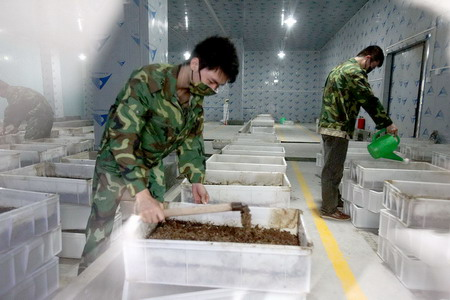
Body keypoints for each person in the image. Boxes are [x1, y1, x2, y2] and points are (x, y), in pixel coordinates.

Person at [78, 36, 239, 272]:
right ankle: (88, 282)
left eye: (218, 86)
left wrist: (196, 179)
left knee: (154, 222)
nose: (212, 89)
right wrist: (141, 195)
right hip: (116, 162)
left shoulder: (196, 98)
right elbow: (122, 138)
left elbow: (192, 138)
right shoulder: (147, 81)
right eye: (212, 81)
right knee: (100, 230)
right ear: (195, 64)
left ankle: (140, 274)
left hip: (151, 163)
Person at [318, 45, 398, 220]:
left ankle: (333, 200)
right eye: (373, 66)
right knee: (332, 169)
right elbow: (369, 100)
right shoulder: (354, 72)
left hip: (329, 124)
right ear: (368, 58)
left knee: (333, 166)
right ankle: (329, 209)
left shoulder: (339, 68)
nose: (370, 70)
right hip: (338, 126)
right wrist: (387, 123)